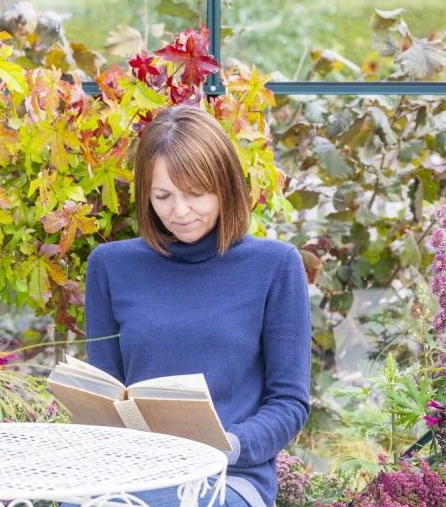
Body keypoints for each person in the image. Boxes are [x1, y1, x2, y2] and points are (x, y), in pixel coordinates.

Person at [84, 105, 311, 507]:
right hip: (134, 473)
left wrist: (229, 446)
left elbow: (289, 403)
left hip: (231, 476)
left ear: (225, 188)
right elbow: (106, 395)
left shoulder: (275, 266)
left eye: (195, 194)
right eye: (163, 196)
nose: (180, 212)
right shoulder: (110, 266)